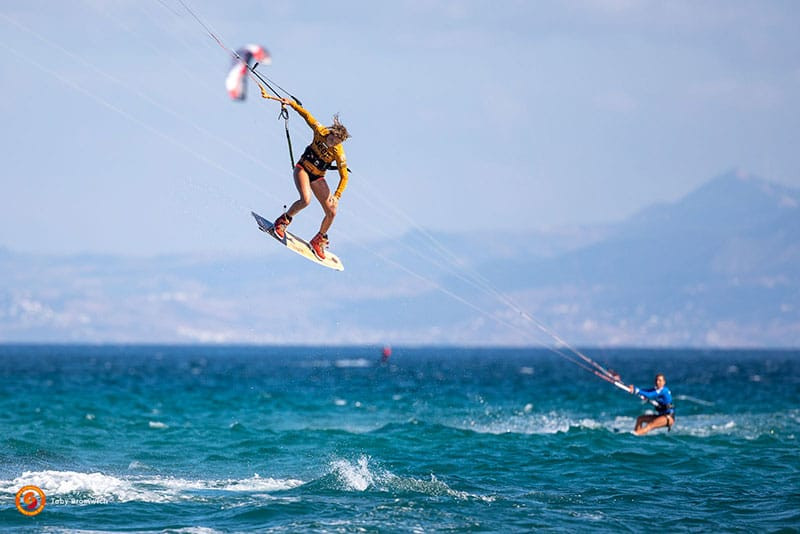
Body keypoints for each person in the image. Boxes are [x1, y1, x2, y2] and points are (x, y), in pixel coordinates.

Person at [271, 98, 351, 260]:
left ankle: (318, 239)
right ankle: (282, 221)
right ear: (331, 134)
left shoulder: (339, 152)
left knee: (332, 211)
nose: (331, 145)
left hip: (317, 177)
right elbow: (307, 115)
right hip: (302, 169)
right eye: (331, 141)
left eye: (336, 143)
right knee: (305, 200)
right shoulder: (320, 131)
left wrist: (337, 195)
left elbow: (344, 176)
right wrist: (291, 104)